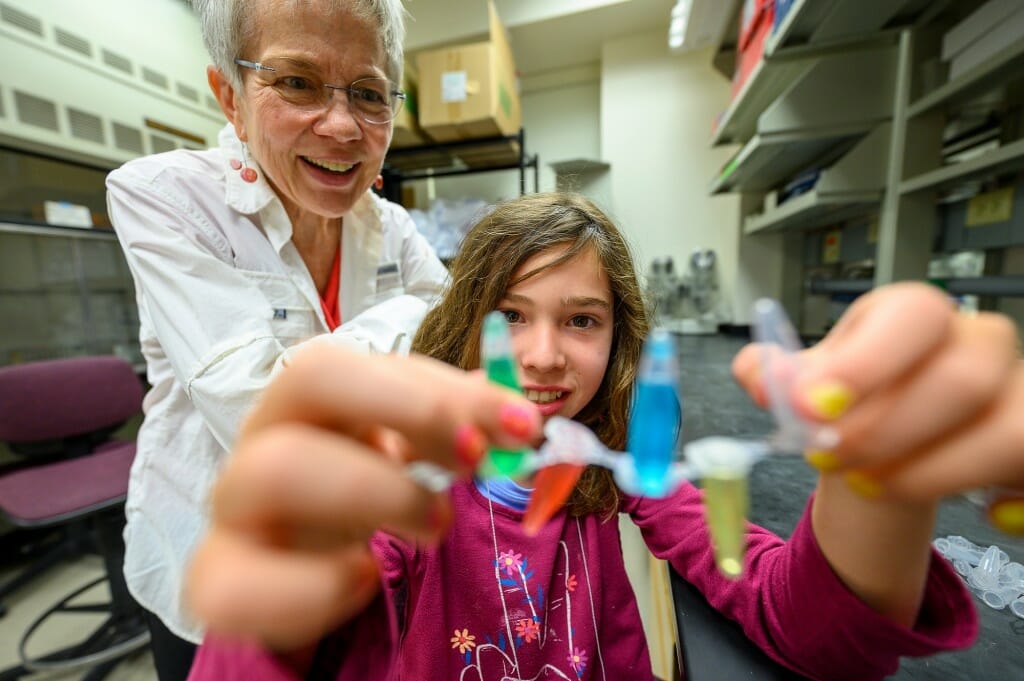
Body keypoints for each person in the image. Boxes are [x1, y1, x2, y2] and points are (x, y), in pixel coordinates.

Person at [182, 192, 1024, 680]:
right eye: (510, 316)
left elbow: (809, 627)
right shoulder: (407, 503)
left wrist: (877, 476)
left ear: (619, 342)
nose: (545, 356)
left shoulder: (625, 477)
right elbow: (285, 625)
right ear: (462, 327)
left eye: (582, 319)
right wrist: (276, 603)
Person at [104, 1, 448, 677]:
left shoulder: (391, 228)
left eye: (369, 93)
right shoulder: (163, 197)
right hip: (212, 569)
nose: (344, 125)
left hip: (354, 563)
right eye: (296, 82)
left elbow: (456, 335)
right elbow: (262, 416)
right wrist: (408, 320)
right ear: (230, 97)